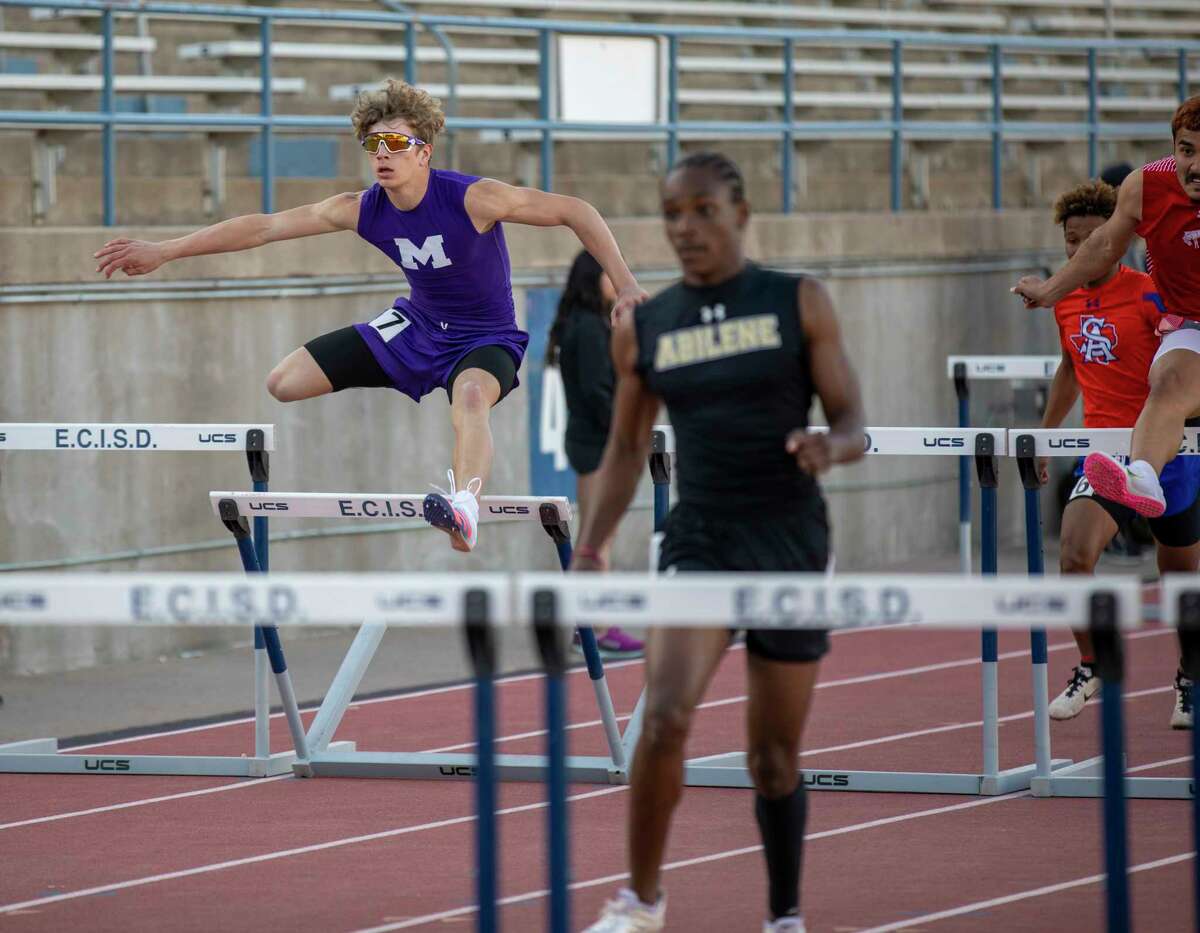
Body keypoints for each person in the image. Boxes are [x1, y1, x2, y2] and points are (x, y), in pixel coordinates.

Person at [93, 79, 647, 553]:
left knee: (472, 398)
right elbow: (262, 227)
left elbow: (577, 211)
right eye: (372, 143)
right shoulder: (361, 209)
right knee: (283, 383)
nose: (381, 153)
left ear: (423, 151)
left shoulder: (475, 199)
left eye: (395, 143)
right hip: (415, 327)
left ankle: (464, 507)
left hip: (485, 338)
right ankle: (410, 375)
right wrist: (166, 250)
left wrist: (624, 286)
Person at [572, 152, 866, 933]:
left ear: (740, 212)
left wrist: (827, 449)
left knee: (771, 759)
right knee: (664, 715)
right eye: (672, 214)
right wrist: (591, 549)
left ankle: (783, 913)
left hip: (789, 539)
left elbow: (851, 422)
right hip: (700, 537)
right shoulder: (647, 325)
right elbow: (627, 451)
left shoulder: (796, 300)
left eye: (702, 211)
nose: (685, 228)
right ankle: (640, 899)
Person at [1036, 180, 1196, 727]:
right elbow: (1068, 370)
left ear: (1115, 237)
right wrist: (1043, 434)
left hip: (1167, 451)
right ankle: (1092, 662)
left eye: (1088, 240)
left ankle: (1190, 679)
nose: (1077, 251)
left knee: (1180, 577)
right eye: (1069, 242)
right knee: (1074, 554)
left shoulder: (1153, 291)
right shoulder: (1066, 301)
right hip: (1102, 453)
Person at [1013, 95, 1200, 522]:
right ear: (1173, 150)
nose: (1197, 166)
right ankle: (1143, 475)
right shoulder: (1145, 187)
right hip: (1192, 324)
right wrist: (1052, 291)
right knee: (1167, 380)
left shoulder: (1139, 293)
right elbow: (1103, 245)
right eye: (1187, 151)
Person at [545, 250, 644, 657]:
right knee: (596, 539)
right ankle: (596, 627)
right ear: (592, 279)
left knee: (597, 537)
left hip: (595, 438)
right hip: (595, 441)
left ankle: (586, 623)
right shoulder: (586, 328)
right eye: (610, 275)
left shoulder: (590, 324)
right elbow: (595, 390)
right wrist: (626, 428)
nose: (617, 282)